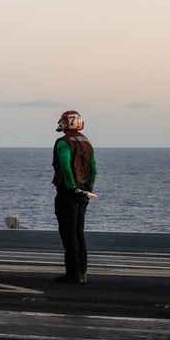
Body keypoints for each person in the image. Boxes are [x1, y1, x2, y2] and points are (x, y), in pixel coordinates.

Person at [52, 110, 97, 284]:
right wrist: (87, 186)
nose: (60, 123)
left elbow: (64, 165)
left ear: (69, 122)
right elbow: (93, 169)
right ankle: (83, 272)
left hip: (68, 193)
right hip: (84, 191)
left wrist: (71, 186)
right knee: (79, 232)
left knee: (68, 232)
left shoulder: (64, 142)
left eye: (63, 120)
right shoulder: (87, 142)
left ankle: (73, 273)